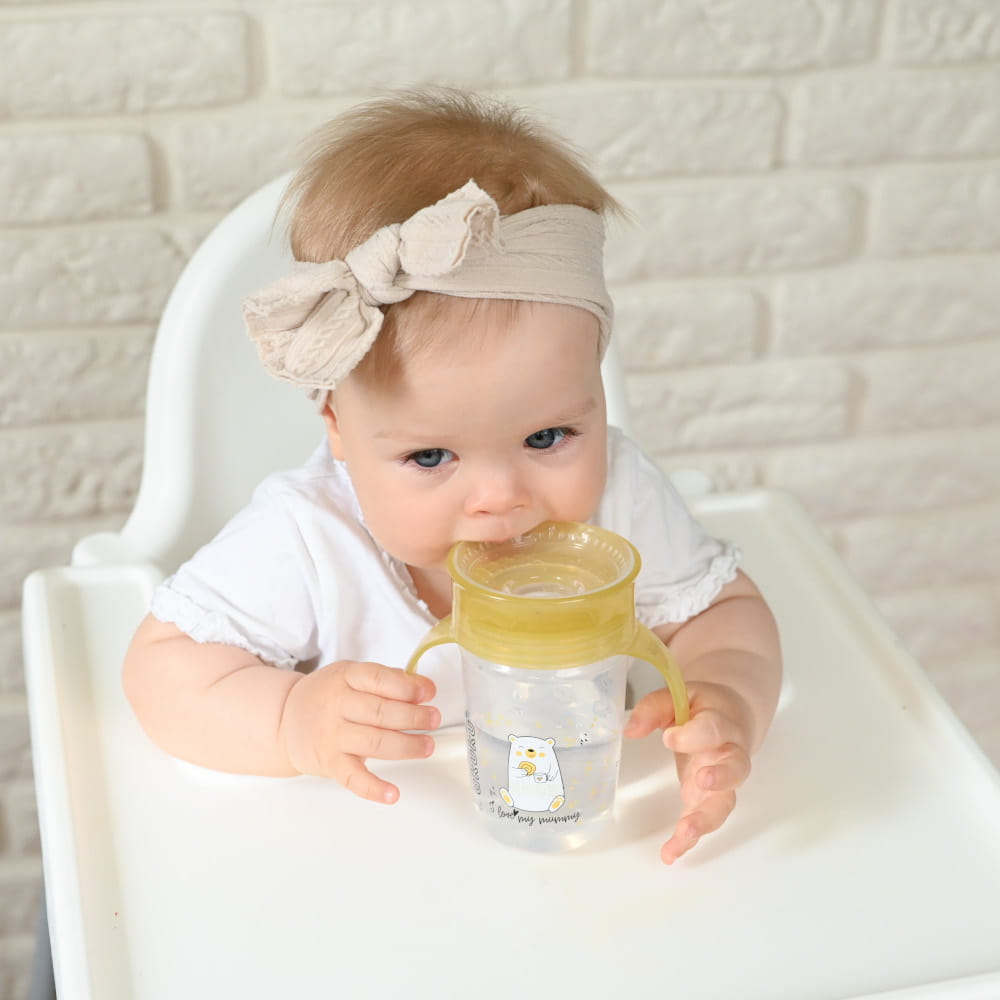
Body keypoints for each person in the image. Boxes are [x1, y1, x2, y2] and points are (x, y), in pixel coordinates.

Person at [123, 87, 782, 865]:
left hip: (585, 846)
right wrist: (292, 720)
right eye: (431, 458)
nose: (501, 499)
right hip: (376, 868)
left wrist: (725, 697)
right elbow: (162, 672)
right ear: (337, 427)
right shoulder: (309, 533)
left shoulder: (620, 497)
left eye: (547, 437)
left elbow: (721, 616)